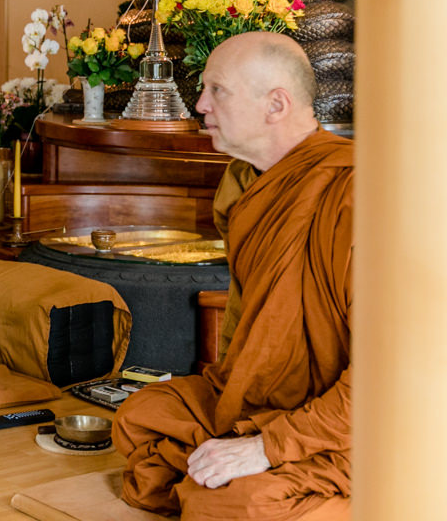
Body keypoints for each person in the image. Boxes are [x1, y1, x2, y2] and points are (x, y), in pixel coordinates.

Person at [113, 32, 352, 520]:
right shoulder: (244, 183)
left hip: (347, 419)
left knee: (229, 505)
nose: (200, 104)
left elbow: (397, 377)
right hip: (265, 398)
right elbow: (254, 321)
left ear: (276, 104)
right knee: (140, 417)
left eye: (216, 90)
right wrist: (240, 418)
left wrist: (267, 448)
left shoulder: (353, 194)